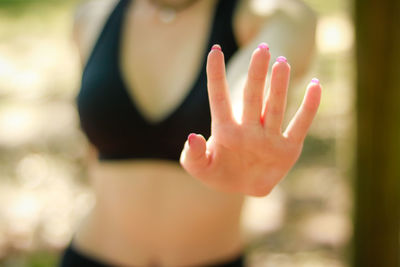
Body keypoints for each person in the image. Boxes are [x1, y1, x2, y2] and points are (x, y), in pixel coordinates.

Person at [60, 0, 320, 266]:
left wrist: (246, 115)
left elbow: (278, 45)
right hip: (91, 257)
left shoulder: (264, 14)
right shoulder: (92, 16)